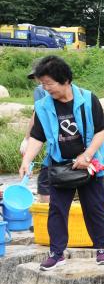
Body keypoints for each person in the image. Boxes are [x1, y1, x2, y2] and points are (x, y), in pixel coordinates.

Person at [19, 55, 104, 270]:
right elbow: (37, 136)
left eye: (49, 83)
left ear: (65, 80)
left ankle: (101, 249)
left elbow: (102, 130)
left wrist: (86, 155)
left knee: (95, 207)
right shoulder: (43, 105)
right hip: (60, 165)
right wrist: (26, 161)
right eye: (42, 84)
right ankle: (57, 253)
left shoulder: (88, 99)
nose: (46, 88)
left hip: (89, 164)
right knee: (57, 209)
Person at [19, 71, 51, 202]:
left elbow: (36, 115)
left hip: (52, 138)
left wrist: (26, 138)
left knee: (45, 181)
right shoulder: (66, 88)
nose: (37, 81)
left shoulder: (40, 90)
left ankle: (46, 214)